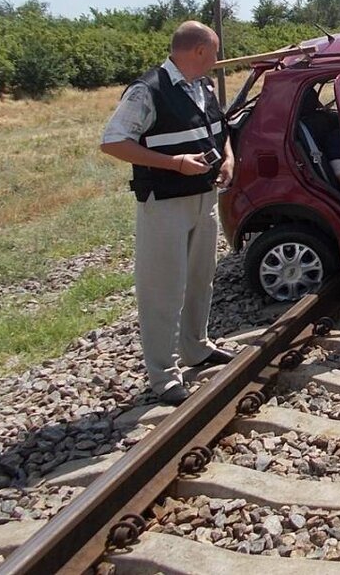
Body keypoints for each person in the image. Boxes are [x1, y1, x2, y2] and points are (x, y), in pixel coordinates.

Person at [100, 21, 235, 406]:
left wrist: (228, 159)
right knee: (163, 290)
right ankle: (163, 375)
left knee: (199, 279)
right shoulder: (149, 89)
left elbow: (220, 131)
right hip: (165, 203)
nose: (217, 59)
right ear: (197, 52)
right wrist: (174, 163)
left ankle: (196, 347)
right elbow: (113, 142)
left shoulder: (203, 87)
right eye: (213, 52)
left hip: (203, 197)